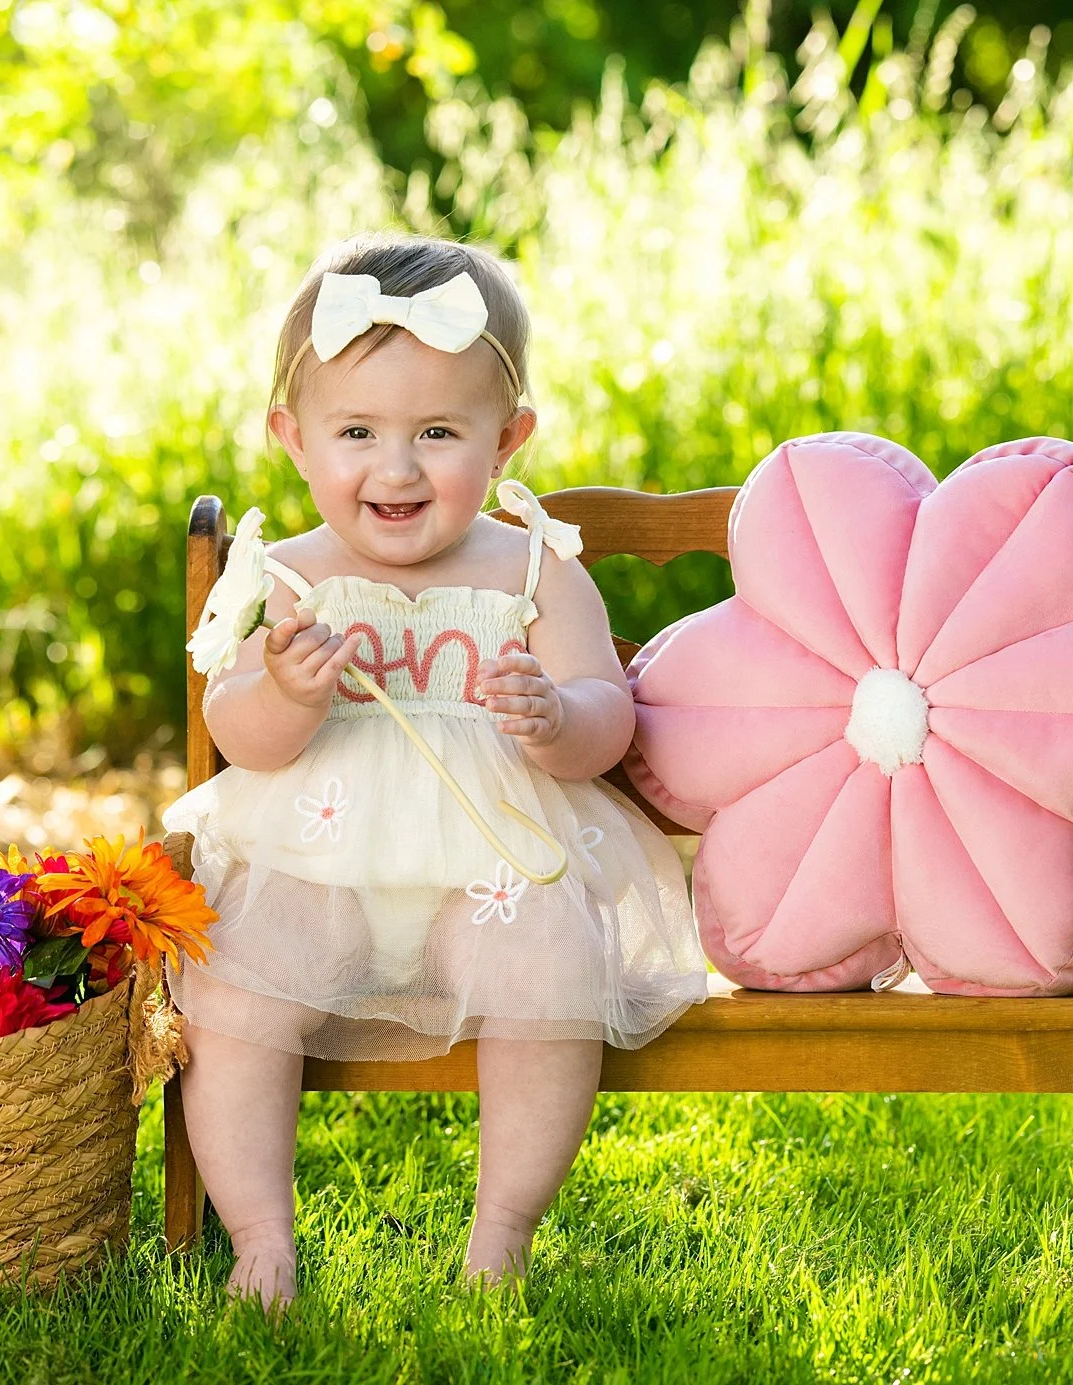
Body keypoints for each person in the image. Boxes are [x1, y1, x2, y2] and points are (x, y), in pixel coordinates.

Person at [162, 232, 708, 1309]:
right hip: (314, 864)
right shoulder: (285, 576)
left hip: (492, 870)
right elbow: (236, 730)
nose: (396, 466)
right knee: (232, 991)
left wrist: (555, 719)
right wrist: (285, 691)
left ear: (507, 439)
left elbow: (608, 714)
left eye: (438, 431)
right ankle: (260, 1238)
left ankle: (499, 1234)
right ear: (293, 438)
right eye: (356, 430)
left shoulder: (533, 566)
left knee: (545, 978)